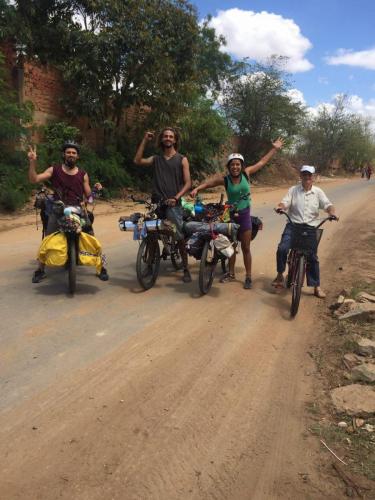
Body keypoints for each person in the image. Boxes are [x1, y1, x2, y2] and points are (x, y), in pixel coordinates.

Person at [190, 138, 284, 289]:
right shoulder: (225, 180)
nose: (235, 167)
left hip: (244, 215)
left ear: (241, 166)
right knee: (230, 246)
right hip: (230, 215)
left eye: (237, 164)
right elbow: (210, 183)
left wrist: (274, 149)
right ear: (229, 167)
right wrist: (197, 189)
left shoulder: (246, 174)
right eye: (232, 164)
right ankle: (231, 273)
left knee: (246, 248)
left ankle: (248, 277)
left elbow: (261, 163)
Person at [28, 141, 109, 283]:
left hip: (78, 210)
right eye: (68, 152)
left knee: (91, 237)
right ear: (64, 154)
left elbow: (89, 197)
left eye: (74, 153)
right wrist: (32, 162)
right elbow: (34, 179)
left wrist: (95, 191)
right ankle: (40, 269)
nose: (71, 155)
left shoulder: (83, 174)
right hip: (58, 210)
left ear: (77, 156)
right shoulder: (54, 170)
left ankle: (101, 267)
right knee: (48, 238)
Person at [133, 127, 192, 283]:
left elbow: (188, 183)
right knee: (151, 233)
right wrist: (145, 140)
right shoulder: (156, 159)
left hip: (174, 204)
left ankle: (186, 268)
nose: (168, 138)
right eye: (165, 136)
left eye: (171, 136)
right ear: (161, 139)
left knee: (178, 236)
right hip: (156, 203)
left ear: (175, 140)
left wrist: (176, 197)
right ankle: (150, 266)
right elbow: (137, 161)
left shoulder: (182, 159)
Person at [273, 165, 338, 298]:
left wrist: (332, 213)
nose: (307, 177)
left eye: (310, 175)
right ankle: (280, 275)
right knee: (282, 249)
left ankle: (316, 286)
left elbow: (327, 205)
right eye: (304, 175)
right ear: (301, 176)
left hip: (310, 228)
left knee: (312, 256)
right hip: (293, 226)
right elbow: (285, 202)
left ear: (313, 177)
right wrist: (280, 207)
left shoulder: (318, 192)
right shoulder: (293, 190)